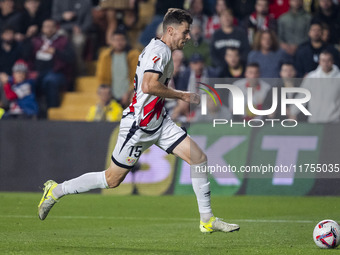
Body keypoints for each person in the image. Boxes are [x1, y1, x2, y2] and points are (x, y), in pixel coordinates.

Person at [37, 8, 240, 234]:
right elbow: (148, 85)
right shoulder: (159, 51)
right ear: (170, 31)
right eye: (185, 32)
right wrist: (183, 95)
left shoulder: (161, 48)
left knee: (199, 158)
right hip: (139, 125)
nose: (189, 36)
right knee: (111, 180)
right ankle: (56, 190)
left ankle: (207, 220)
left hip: (159, 122)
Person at [23, 19, 75, 109]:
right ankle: (31, 111)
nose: (49, 29)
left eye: (51, 27)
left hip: (57, 72)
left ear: (56, 29)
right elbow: (25, 55)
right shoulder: (36, 41)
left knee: (50, 81)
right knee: (30, 82)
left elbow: (71, 58)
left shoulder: (63, 41)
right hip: (37, 71)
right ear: (42, 29)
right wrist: (27, 37)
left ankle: (52, 111)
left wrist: (56, 52)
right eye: (46, 27)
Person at [290, 50, 340, 123]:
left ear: (332, 61)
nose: (326, 63)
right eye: (323, 60)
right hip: (314, 120)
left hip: (334, 121)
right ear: (319, 62)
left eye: (328, 60)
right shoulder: (311, 77)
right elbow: (302, 96)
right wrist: (293, 112)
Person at [96, 30, 139, 108]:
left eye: (121, 40)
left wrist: (129, 92)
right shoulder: (105, 56)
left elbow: (137, 77)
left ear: (126, 41)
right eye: (116, 40)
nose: (119, 43)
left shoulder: (133, 55)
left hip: (129, 93)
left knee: (135, 98)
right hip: (111, 92)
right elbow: (102, 77)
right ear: (111, 41)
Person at [52, 0, 93, 74]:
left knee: (78, 42)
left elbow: (89, 22)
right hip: (63, 28)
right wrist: (63, 16)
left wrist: (81, 29)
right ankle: (61, 69)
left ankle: (79, 70)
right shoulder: (58, 1)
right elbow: (53, 17)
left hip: (79, 30)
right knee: (60, 38)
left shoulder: (86, 2)